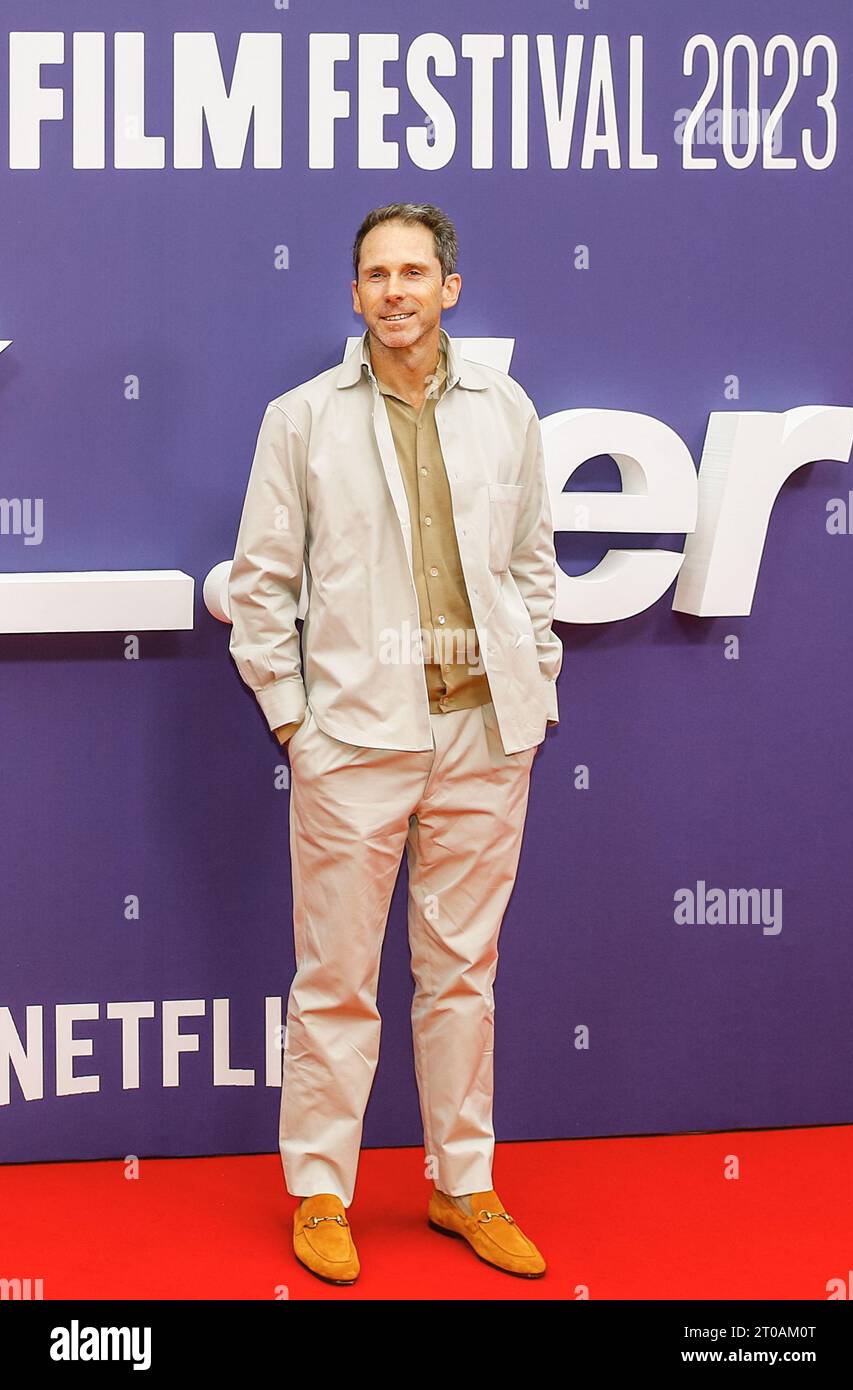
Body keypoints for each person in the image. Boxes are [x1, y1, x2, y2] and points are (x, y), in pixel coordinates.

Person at [228, 202, 562, 1285]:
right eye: (376, 273)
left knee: (463, 973)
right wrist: (295, 722)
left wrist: (533, 685)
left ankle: (460, 1183)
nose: (395, 290)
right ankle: (320, 1193)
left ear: (448, 288)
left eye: (414, 271)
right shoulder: (301, 419)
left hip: (482, 734)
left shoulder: (505, 410)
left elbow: (530, 567)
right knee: (334, 980)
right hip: (353, 745)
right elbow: (260, 586)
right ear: (356, 292)